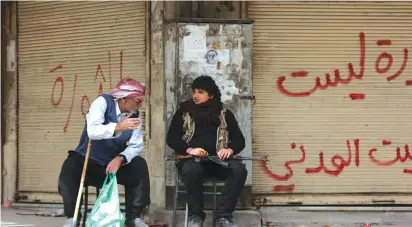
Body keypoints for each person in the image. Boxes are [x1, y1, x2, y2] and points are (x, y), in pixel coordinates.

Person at [58, 78, 150, 227]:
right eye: (137, 100)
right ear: (124, 99)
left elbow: (136, 145)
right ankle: (72, 217)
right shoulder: (102, 102)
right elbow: (93, 131)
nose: (140, 104)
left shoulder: (135, 116)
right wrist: (118, 127)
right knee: (70, 166)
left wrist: (120, 158)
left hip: (113, 167)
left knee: (139, 165)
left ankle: (133, 218)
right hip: (90, 163)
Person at [167, 75, 247, 227]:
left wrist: (229, 150)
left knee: (239, 170)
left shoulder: (224, 113)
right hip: (193, 161)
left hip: (219, 161)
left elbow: (240, 140)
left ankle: (223, 217)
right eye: (194, 92)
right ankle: (195, 217)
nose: (196, 95)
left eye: (201, 92)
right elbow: (171, 139)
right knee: (192, 170)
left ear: (211, 95)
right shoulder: (184, 112)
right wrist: (190, 149)